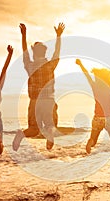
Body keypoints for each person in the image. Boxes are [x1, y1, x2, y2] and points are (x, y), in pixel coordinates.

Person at [13, 22, 65, 151]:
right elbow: (57, 52)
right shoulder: (50, 65)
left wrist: (24, 35)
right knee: (51, 125)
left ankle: (21, 134)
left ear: (34, 53)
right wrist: (58, 36)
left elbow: (24, 52)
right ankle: (50, 137)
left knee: (33, 129)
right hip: (48, 100)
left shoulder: (29, 65)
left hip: (35, 102)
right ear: (44, 52)